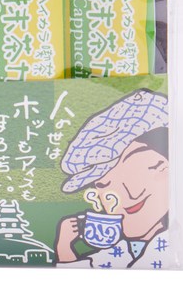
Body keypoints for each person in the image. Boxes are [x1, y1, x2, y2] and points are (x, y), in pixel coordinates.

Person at [55, 89, 170, 269]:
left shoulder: (174, 244)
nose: (127, 195)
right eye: (103, 184)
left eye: (133, 174)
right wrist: (64, 247)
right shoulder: (111, 254)